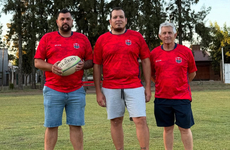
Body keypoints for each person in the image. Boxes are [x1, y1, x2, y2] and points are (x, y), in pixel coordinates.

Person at [93, 7, 152, 150]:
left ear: (125, 21)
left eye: (121, 17)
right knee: (115, 121)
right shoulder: (102, 40)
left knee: (140, 120)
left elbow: (145, 60)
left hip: (134, 85)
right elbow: (97, 65)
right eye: (115, 17)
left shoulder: (136, 37)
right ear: (110, 21)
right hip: (110, 87)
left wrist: (148, 86)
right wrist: (98, 91)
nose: (118, 19)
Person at [34, 9, 93, 150]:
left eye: (68, 19)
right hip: (53, 89)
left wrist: (83, 64)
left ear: (72, 22)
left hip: (76, 90)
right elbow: (37, 62)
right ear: (57, 22)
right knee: (51, 126)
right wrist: (51, 67)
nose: (65, 21)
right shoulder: (48, 38)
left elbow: (91, 61)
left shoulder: (82, 39)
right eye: (62, 19)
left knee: (76, 125)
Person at [150, 22, 197, 150]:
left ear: (175, 34)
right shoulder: (154, 54)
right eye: (164, 33)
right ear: (160, 36)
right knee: (167, 128)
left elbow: (192, 73)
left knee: (185, 128)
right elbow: (151, 74)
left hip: (182, 97)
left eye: (170, 32)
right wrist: (161, 83)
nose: (167, 35)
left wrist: (181, 83)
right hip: (162, 98)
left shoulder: (186, 52)